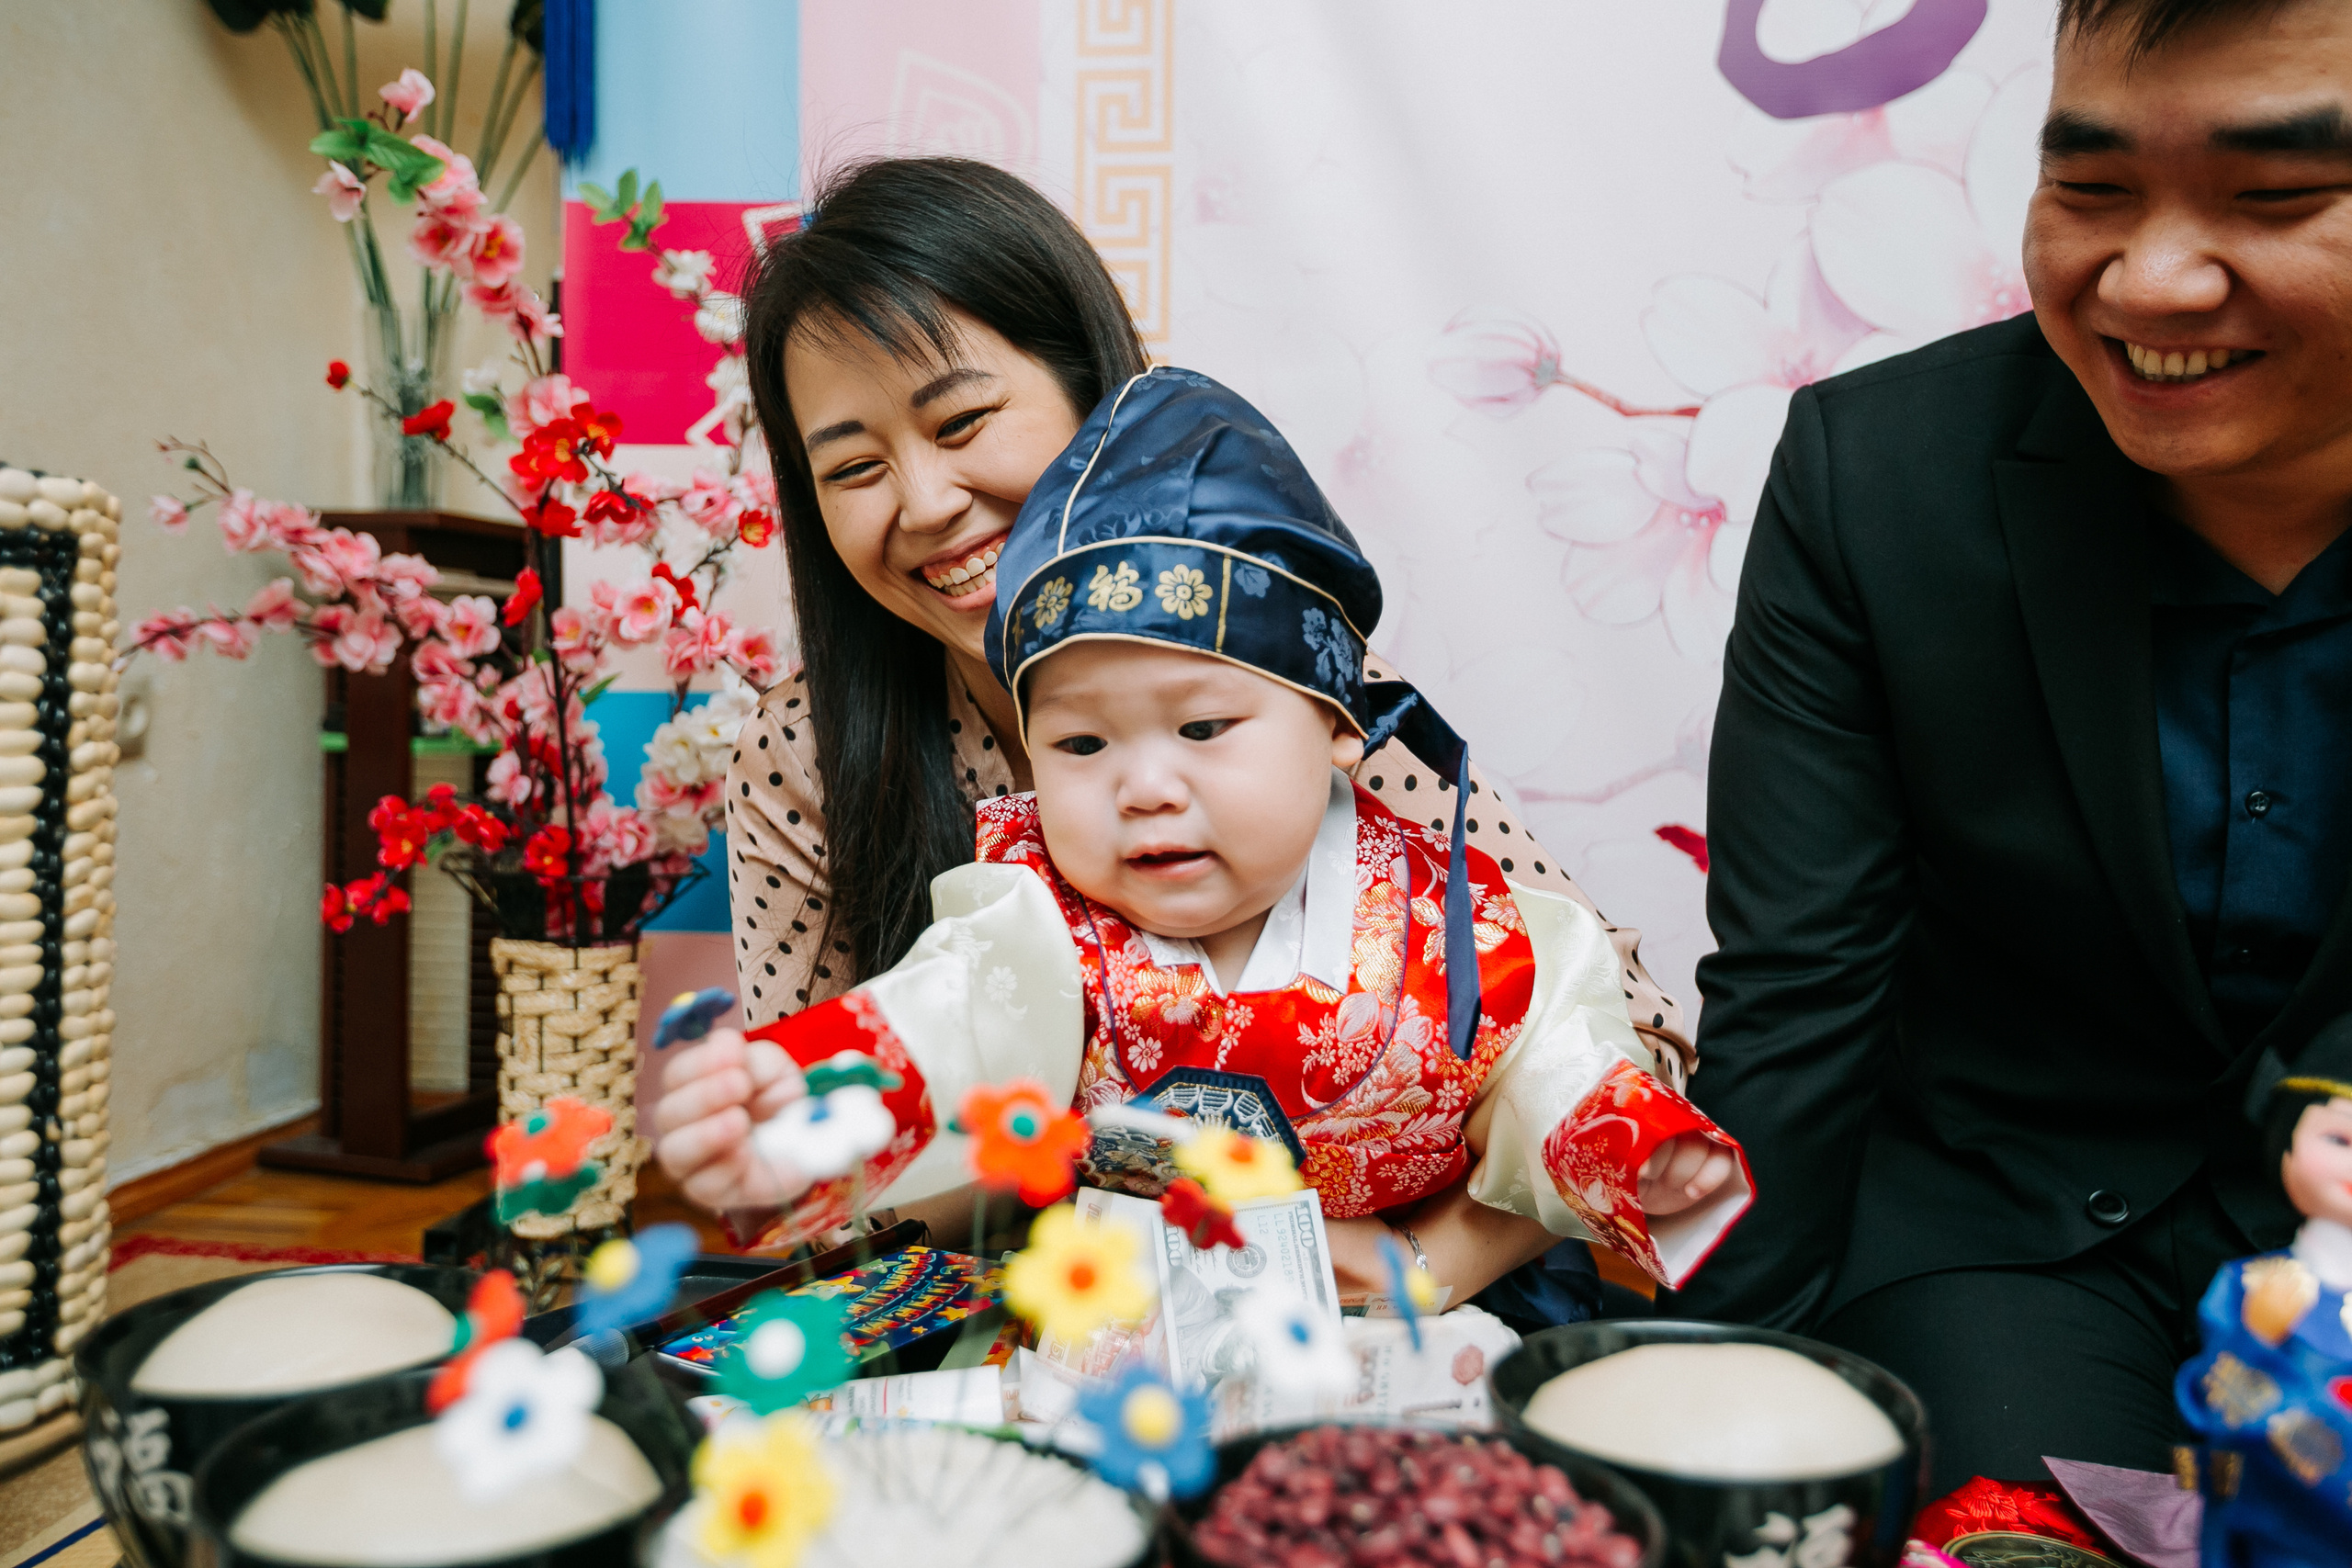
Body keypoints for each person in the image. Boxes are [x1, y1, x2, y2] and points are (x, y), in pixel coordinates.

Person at [654, 157, 1690, 1311]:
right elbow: (859, 1141)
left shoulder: (1281, 671)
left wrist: (1413, 1269)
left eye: (963, 420)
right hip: (1048, 1324)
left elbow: (1615, 1031)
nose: (927, 500)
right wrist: (798, 1132)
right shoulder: (803, 764)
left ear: (1092, 392)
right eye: (853, 467)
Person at [1673, 0, 2352, 1490]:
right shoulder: (1877, 480)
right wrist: (1694, 1419)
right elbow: (1796, 993)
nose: (2152, 279)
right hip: (2013, 1237)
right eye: (2092, 188)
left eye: (2278, 196)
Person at [2177, 1019, 2352, 1567]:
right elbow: (2219, 1394)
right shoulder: (2252, 1287)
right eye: (2341, 1139)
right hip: (2278, 1521)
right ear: (2286, 1143)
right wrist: (2255, 1338)